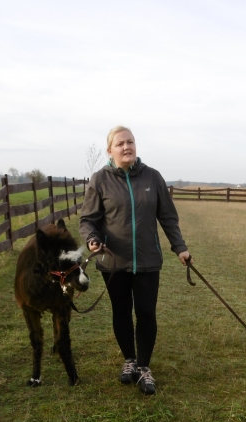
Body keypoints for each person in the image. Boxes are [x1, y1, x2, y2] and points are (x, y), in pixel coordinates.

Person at [79, 126, 191, 395]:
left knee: (146, 312)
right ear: (110, 150)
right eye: (120, 144)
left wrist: (180, 248)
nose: (126, 147)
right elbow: (88, 219)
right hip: (113, 262)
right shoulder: (100, 180)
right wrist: (92, 239)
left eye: (130, 142)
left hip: (147, 260)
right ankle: (129, 359)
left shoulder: (153, 177)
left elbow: (168, 217)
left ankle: (143, 366)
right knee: (121, 311)